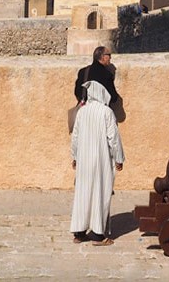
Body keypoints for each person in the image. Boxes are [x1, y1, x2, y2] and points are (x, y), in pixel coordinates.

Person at [70, 80, 125, 245]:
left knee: (83, 193)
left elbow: (75, 137)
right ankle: (99, 234)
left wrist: (75, 157)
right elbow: (113, 138)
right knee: (101, 193)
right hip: (100, 161)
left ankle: (79, 232)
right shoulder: (106, 112)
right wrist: (119, 158)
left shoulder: (82, 112)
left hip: (84, 161)